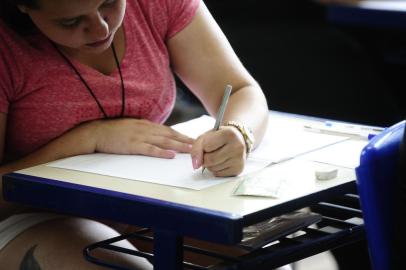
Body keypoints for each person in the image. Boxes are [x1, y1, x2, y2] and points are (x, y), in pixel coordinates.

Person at [0, 0, 269, 269]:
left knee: (264, 256)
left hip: (145, 203)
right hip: (31, 214)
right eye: (70, 22)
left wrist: (238, 132)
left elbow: (240, 90)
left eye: (110, 3)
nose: (101, 29)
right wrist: (88, 139)